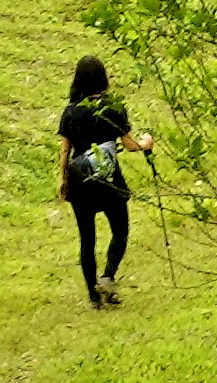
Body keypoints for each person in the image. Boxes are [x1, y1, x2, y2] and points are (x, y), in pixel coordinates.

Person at [58, 56, 149, 305]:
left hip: (80, 180)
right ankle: (107, 276)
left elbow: (65, 150)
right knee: (120, 231)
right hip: (109, 178)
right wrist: (146, 143)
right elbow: (129, 146)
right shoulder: (113, 108)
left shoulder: (70, 112)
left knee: (87, 239)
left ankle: (93, 295)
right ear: (103, 78)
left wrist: (62, 179)